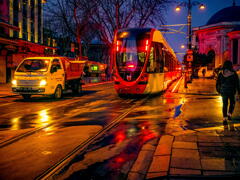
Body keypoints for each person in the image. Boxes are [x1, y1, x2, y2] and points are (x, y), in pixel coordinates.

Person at [216, 60, 240, 125]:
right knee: (232, 103)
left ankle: (224, 118)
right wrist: (238, 91)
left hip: (223, 91)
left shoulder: (221, 73)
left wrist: (219, 90)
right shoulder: (234, 73)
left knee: (225, 104)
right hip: (231, 91)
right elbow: (237, 83)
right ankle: (229, 114)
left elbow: (218, 83)